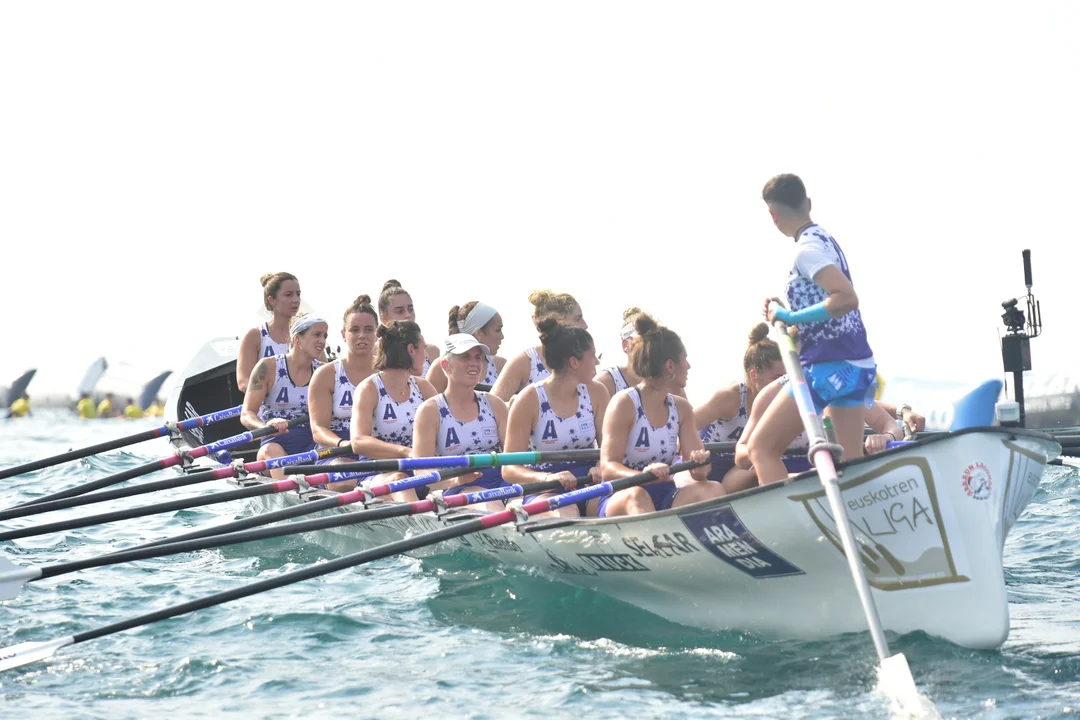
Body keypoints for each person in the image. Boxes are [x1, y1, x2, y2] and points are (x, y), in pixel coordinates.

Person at [749, 173, 877, 484]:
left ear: (773, 215)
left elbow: (845, 298)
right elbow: (825, 303)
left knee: (760, 449)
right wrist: (788, 311)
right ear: (808, 203)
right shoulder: (825, 239)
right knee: (850, 468)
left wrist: (791, 318)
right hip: (857, 365)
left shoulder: (805, 251)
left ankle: (787, 515)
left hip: (825, 368)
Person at [598, 314, 724, 516]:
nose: (689, 366)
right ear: (670, 366)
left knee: (713, 489)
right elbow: (608, 467)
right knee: (637, 495)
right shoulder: (623, 404)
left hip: (664, 494)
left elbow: (700, 474)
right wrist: (643, 475)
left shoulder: (682, 408)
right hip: (622, 495)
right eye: (685, 359)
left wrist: (700, 464)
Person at [502, 318, 609, 518]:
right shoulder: (529, 399)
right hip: (545, 487)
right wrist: (546, 478)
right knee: (567, 511)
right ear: (574, 362)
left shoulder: (598, 392)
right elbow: (509, 469)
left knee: (623, 502)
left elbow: (609, 450)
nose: (597, 362)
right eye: (592, 355)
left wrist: (599, 466)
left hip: (589, 482)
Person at [339, 321, 438, 498]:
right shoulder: (369, 389)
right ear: (411, 350)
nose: (426, 356)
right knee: (399, 480)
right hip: (378, 472)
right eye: (423, 348)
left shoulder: (424, 388)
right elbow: (358, 442)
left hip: (419, 470)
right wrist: (406, 452)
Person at [413, 334, 510, 512]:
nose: (474, 363)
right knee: (491, 505)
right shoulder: (430, 410)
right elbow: (421, 471)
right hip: (459, 486)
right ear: (445, 365)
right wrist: (455, 480)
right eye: (465, 357)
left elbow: (514, 458)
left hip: (500, 482)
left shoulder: (495, 404)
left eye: (478, 357)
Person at [694, 323, 786, 492]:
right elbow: (684, 424)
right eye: (777, 378)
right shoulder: (730, 397)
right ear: (754, 375)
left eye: (786, 378)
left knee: (766, 465)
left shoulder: (779, 400)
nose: (783, 385)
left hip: (738, 470)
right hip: (705, 470)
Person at [240, 313, 326, 479]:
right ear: (297, 338)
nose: (322, 341)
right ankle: (289, 488)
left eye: (325, 336)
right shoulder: (267, 367)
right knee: (271, 451)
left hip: (313, 447)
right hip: (276, 445)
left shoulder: (324, 372)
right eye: (317, 335)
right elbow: (247, 414)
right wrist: (265, 426)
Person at [309, 295, 378, 463]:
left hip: (378, 450)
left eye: (369, 329)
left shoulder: (389, 372)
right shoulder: (326, 375)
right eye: (354, 330)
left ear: (377, 333)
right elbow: (318, 430)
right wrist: (344, 444)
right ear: (343, 335)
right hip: (338, 452)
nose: (362, 335)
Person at [491, 290, 588, 401]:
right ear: (559, 322)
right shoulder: (525, 362)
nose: (585, 325)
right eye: (577, 319)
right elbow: (491, 406)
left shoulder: (585, 360)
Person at [236, 272, 301, 392]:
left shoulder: (307, 333)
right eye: (288, 295)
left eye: (298, 294)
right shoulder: (255, 336)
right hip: (264, 403)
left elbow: (324, 374)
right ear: (272, 300)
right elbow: (244, 381)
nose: (296, 300)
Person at [427, 301, 506, 392]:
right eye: (498, 330)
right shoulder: (442, 366)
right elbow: (428, 400)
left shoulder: (501, 365)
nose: (502, 336)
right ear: (479, 333)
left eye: (477, 357)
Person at [377, 280, 442, 376]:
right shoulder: (373, 355)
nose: (408, 315)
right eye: (400, 311)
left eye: (410, 309)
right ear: (383, 318)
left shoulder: (432, 352)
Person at [595, 307, 644, 396]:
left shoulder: (663, 380)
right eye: (641, 341)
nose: (649, 346)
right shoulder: (605, 381)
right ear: (625, 345)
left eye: (653, 340)